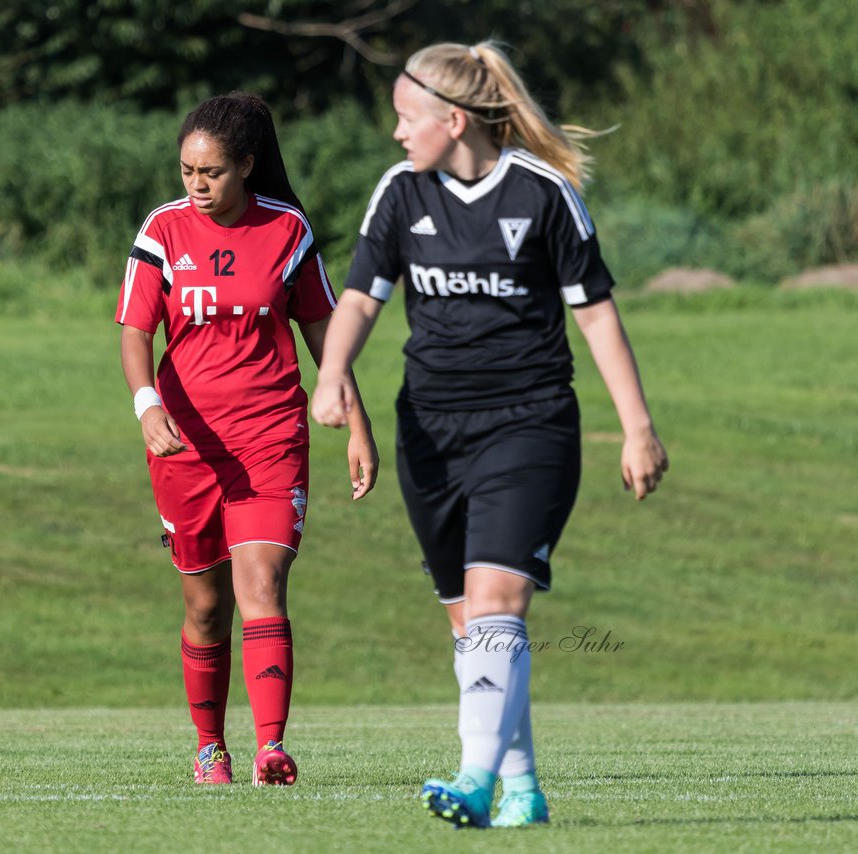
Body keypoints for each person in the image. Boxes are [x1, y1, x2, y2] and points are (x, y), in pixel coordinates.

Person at [311, 41, 668, 826]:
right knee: (472, 624)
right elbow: (363, 297)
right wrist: (335, 370)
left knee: (497, 601)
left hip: (530, 424)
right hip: (431, 436)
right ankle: (524, 788)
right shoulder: (401, 194)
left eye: (408, 119)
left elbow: (597, 312)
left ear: (454, 118)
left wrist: (636, 428)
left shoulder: (543, 194)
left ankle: (473, 779)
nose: (398, 134)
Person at [116, 92, 378, 786]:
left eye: (212, 173)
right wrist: (147, 405)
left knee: (262, 582)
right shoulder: (163, 231)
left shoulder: (287, 231)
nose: (197, 186)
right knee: (205, 606)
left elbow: (327, 337)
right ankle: (210, 747)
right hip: (186, 446)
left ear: (248, 167)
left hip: (269, 436)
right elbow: (136, 331)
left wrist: (358, 423)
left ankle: (270, 748)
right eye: (187, 172)